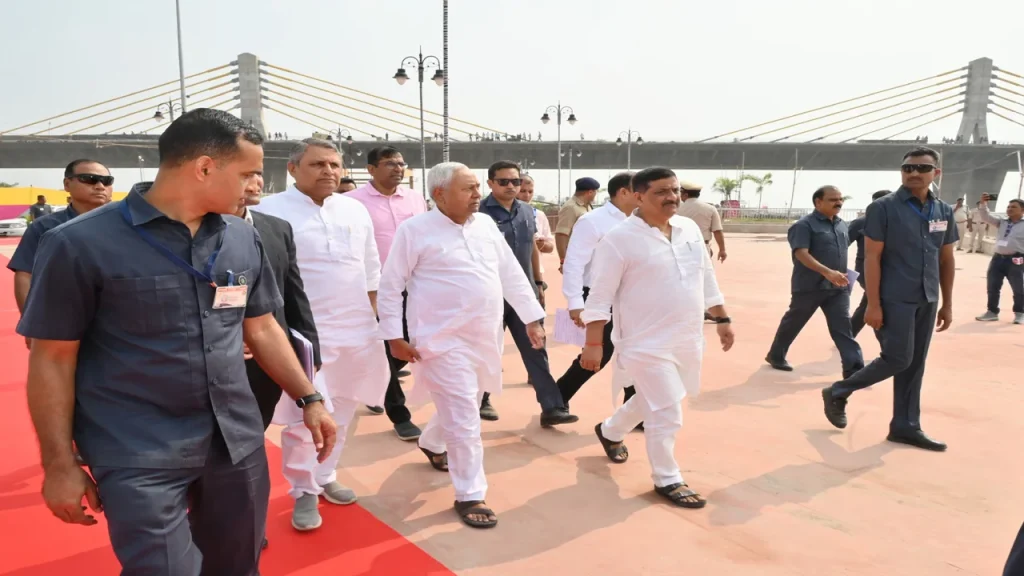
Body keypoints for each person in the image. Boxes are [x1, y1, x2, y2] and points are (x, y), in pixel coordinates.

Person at [18, 109, 336, 574]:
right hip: (136, 451)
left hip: (235, 444)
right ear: (205, 167)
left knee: (237, 566)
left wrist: (309, 397)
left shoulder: (243, 238)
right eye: (247, 173)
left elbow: (263, 326)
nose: (255, 186)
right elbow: (52, 360)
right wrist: (58, 465)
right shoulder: (78, 244)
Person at [379, 162, 546, 529]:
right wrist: (394, 336)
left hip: (483, 334)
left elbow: (511, 275)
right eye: (468, 189)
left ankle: (434, 443)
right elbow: (391, 285)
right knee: (465, 415)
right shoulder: (415, 231)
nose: (477, 195)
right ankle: (470, 491)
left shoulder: (485, 225)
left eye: (476, 188)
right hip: (440, 340)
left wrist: (532, 318)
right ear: (439, 194)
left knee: (468, 400)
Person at [252, 138, 390, 531]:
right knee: (304, 417)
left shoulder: (355, 209)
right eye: (317, 164)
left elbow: (371, 271)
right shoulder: (268, 210)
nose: (329, 171)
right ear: (293, 169)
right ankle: (303, 491)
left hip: (356, 328)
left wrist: (380, 321)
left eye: (334, 164)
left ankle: (326, 475)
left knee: (343, 409)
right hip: (301, 334)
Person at [580, 167, 734, 509]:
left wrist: (722, 317)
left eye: (676, 191)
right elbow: (600, 296)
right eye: (662, 192)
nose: (672, 198)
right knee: (667, 410)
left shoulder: (690, 229)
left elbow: (706, 276)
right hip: (643, 342)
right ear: (637, 196)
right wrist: (593, 343)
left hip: (686, 337)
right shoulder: (619, 240)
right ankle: (667, 478)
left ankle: (610, 431)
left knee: (657, 398)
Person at [822, 147, 956, 452]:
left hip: (928, 296)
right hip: (894, 297)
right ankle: (839, 390)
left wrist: (947, 303)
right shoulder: (883, 208)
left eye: (922, 168)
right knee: (898, 358)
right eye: (907, 168)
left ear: (936, 173)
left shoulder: (944, 211)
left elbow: (946, 259)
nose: (913, 173)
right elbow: (872, 256)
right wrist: (873, 303)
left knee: (915, 364)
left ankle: (905, 426)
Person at [478, 161, 576, 426]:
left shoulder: (528, 212)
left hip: (523, 293)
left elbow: (532, 247)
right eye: (504, 182)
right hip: (489, 295)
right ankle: (481, 400)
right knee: (488, 349)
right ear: (490, 183)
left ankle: (552, 407)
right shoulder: (478, 213)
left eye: (515, 181)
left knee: (536, 347)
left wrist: (538, 283)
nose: (511, 186)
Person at [345, 146, 425, 440]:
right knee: (385, 346)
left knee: (413, 344)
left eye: (402, 163)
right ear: (370, 169)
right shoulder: (350, 203)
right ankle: (400, 415)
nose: (398, 168)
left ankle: (374, 381)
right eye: (390, 163)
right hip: (373, 289)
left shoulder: (416, 200)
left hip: (414, 285)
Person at [235, 175, 321, 429]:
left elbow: (294, 296)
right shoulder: (189, 230)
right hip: (217, 365)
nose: (257, 182)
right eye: (245, 174)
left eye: (259, 173)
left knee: (254, 435)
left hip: (268, 364)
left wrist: (310, 350)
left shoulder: (277, 229)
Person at [9, 160, 115, 344]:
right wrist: (31, 324)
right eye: (89, 179)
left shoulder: (127, 225)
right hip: (60, 327)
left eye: (106, 181)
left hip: (117, 328)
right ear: (67, 184)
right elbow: (25, 274)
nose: (99, 186)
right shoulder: (44, 228)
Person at [556, 172, 638, 409]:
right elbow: (573, 263)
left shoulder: (641, 220)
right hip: (598, 296)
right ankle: (556, 397)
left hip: (630, 298)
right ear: (623, 192)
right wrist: (575, 303)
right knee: (599, 354)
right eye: (639, 190)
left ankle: (634, 411)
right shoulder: (593, 221)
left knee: (635, 353)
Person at [765, 186, 864, 378]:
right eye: (833, 199)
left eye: (840, 199)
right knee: (794, 322)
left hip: (838, 287)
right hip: (809, 286)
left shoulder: (843, 225)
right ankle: (776, 354)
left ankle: (854, 370)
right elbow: (801, 253)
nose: (839, 203)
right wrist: (827, 272)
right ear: (818, 202)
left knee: (843, 327)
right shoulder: (803, 225)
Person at [973, 196, 1024, 324]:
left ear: (1022, 210)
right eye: (1008, 207)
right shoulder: (1002, 222)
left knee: (1018, 288)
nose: (1009, 209)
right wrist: (983, 204)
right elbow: (985, 217)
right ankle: (992, 312)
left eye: (1013, 207)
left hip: (1016, 259)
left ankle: (1019, 313)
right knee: (993, 286)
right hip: (997, 259)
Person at [848, 190, 892, 337]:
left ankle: (848, 334)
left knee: (870, 302)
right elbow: (842, 244)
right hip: (867, 270)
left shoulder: (895, 222)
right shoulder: (861, 222)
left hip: (891, 271)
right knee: (874, 301)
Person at [554, 177, 599, 271]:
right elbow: (561, 234)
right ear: (590, 192)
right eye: (596, 192)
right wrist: (563, 260)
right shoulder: (571, 207)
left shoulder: (587, 206)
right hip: (576, 258)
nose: (596, 195)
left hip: (588, 256)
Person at [676, 180, 726, 262]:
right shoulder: (710, 208)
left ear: (685, 194)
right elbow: (717, 231)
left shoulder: (675, 209)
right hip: (702, 247)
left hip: (680, 248)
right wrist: (722, 250)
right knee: (703, 273)